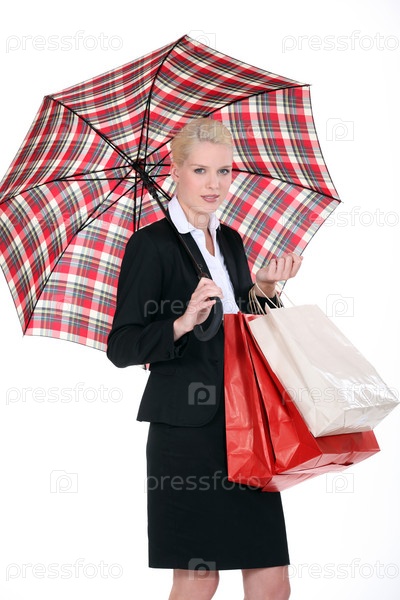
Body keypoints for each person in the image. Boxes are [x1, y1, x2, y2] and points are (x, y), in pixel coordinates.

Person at [106, 117, 302, 600]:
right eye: (200, 171)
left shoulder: (230, 240)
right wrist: (181, 321)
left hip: (245, 424)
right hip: (186, 436)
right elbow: (122, 345)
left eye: (223, 171)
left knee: (272, 579)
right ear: (175, 171)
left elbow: (241, 325)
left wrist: (265, 288)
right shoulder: (151, 245)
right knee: (199, 578)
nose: (214, 184)